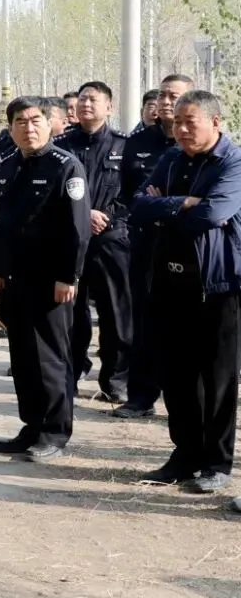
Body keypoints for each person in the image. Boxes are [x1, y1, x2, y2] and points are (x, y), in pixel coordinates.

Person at [130, 90, 241, 493]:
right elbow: (139, 206)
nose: (179, 129)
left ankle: (216, 461)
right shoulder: (171, 158)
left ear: (215, 121)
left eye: (188, 122)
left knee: (217, 378)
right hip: (168, 280)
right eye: (175, 122)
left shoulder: (233, 162)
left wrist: (169, 208)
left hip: (218, 285)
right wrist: (184, 204)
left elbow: (213, 214)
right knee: (175, 374)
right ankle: (185, 454)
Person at [0, 97, 90, 460]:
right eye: (19, 121)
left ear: (50, 124)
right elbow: (1, 224)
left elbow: (78, 228)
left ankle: (55, 430)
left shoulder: (66, 166)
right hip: (17, 278)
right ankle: (32, 424)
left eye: (35, 120)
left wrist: (69, 275)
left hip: (52, 281)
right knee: (23, 356)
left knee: (50, 357)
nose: (28, 128)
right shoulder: (7, 164)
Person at [113, 73, 195, 419]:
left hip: (186, 249)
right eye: (162, 95)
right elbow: (135, 196)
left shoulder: (196, 146)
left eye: (174, 95)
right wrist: (171, 203)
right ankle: (140, 396)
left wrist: (166, 202)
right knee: (143, 321)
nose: (165, 101)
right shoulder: (136, 141)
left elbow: (203, 203)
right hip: (146, 245)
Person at [54, 81, 132, 403]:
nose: (87, 104)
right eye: (83, 98)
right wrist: (82, 215)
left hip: (110, 240)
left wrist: (106, 216)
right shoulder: (60, 146)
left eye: (94, 100)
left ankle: (115, 382)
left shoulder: (124, 147)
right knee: (70, 313)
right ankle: (68, 378)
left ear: (109, 107)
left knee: (116, 314)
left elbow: (134, 193)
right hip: (69, 240)